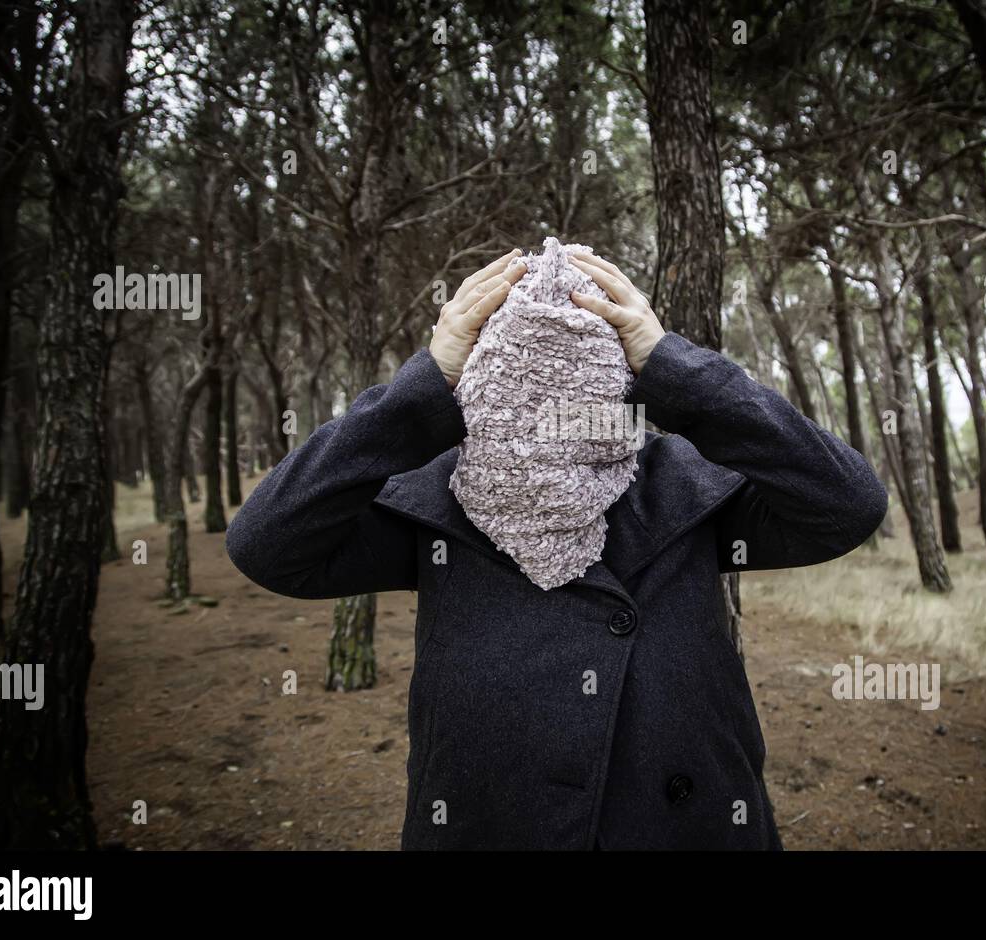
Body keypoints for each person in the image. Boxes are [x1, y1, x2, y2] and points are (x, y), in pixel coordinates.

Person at [226, 247, 889, 850]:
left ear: (621, 378)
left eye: (579, 363)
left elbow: (847, 504)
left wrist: (675, 369)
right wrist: (420, 389)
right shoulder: (437, 501)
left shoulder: (684, 487)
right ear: (478, 379)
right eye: (520, 367)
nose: (550, 401)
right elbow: (267, 543)